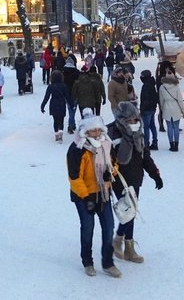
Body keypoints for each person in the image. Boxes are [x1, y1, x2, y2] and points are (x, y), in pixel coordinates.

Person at [108, 102, 162, 264]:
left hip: (136, 178)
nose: (133, 123)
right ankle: (120, 241)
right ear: (122, 119)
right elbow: (107, 158)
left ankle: (127, 247)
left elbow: (145, 156)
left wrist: (155, 174)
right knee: (129, 211)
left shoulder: (139, 133)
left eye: (135, 119)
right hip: (120, 179)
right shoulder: (112, 132)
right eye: (130, 120)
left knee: (131, 212)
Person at [67, 114, 120, 278]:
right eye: (92, 130)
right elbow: (74, 176)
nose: (96, 133)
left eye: (98, 129)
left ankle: (108, 262)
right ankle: (87, 261)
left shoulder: (106, 145)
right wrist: (86, 196)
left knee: (109, 227)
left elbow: (115, 164)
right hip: (84, 196)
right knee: (88, 228)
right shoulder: (77, 149)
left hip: (103, 193)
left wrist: (110, 174)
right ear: (85, 131)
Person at [41, 70, 71, 143]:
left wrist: (43, 105)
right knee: (61, 119)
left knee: (55, 120)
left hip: (53, 103)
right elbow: (67, 97)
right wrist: (71, 104)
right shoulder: (64, 86)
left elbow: (46, 97)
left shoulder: (51, 86)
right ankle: (60, 133)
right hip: (61, 103)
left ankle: (56, 134)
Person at [158, 71, 184, 151]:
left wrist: (162, 109)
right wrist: (183, 110)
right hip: (176, 107)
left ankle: (171, 144)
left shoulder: (162, 87)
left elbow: (161, 100)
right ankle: (176, 145)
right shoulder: (176, 86)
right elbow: (180, 100)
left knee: (169, 127)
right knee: (176, 127)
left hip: (166, 107)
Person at [138, 70, 159, 151]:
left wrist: (142, 110)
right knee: (152, 126)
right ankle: (155, 142)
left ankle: (146, 143)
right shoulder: (151, 84)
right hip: (152, 109)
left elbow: (145, 99)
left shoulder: (146, 86)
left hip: (147, 109)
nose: (141, 77)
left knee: (146, 127)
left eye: (142, 76)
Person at [62, 56, 81, 133]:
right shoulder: (77, 72)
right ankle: (71, 125)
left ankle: (72, 124)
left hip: (66, 93)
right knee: (73, 109)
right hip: (75, 93)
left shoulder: (63, 72)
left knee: (70, 109)